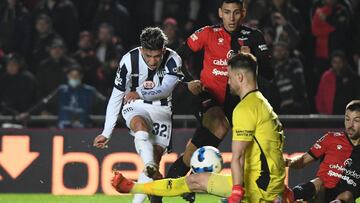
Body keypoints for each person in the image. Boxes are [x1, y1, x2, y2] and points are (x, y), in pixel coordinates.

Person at [111, 53, 290, 203]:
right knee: (193, 180)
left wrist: (236, 193)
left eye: (229, 76)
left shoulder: (245, 109)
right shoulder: (262, 104)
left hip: (258, 189)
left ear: (240, 77)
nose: (228, 82)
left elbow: (238, 157)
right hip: (263, 184)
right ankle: (133, 186)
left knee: (195, 181)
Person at [159, 0, 273, 202]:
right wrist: (189, 81)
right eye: (227, 12)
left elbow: (269, 73)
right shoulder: (207, 33)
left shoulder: (254, 37)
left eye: (236, 13)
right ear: (220, 13)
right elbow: (177, 57)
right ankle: (172, 185)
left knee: (194, 150)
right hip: (207, 96)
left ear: (243, 13)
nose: (231, 17)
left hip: (238, 105)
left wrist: (253, 57)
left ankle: (163, 188)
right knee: (220, 125)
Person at [92, 27, 183, 203]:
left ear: (163, 50)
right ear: (142, 50)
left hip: (162, 108)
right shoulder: (128, 60)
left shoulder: (173, 59)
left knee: (155, 161)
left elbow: (165, 90)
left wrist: (140, 92)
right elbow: (116, 96)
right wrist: (106, 132)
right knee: (139, 124)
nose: (153, 61)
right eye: (148, 56)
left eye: (157, 56)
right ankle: (149, 167)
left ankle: (151, 169)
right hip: (136, 104)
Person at [286, 100, 360, 203]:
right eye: (347, 119)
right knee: (318, 182)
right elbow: (302, 161)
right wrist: (286, 162)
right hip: (320, 197)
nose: (350, 125)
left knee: (347, 195)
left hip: (346, 199)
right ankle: (289, 197)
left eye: (356, 120)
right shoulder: (331, 138)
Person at [316, 50, 360, 115]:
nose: (337, 65)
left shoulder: (352, 77)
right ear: (331, 63)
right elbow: (319, 96)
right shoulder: (326, 76)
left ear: (344, 63)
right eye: (335, 62)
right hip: (329, 116)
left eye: (340, 62)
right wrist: (322, 112)